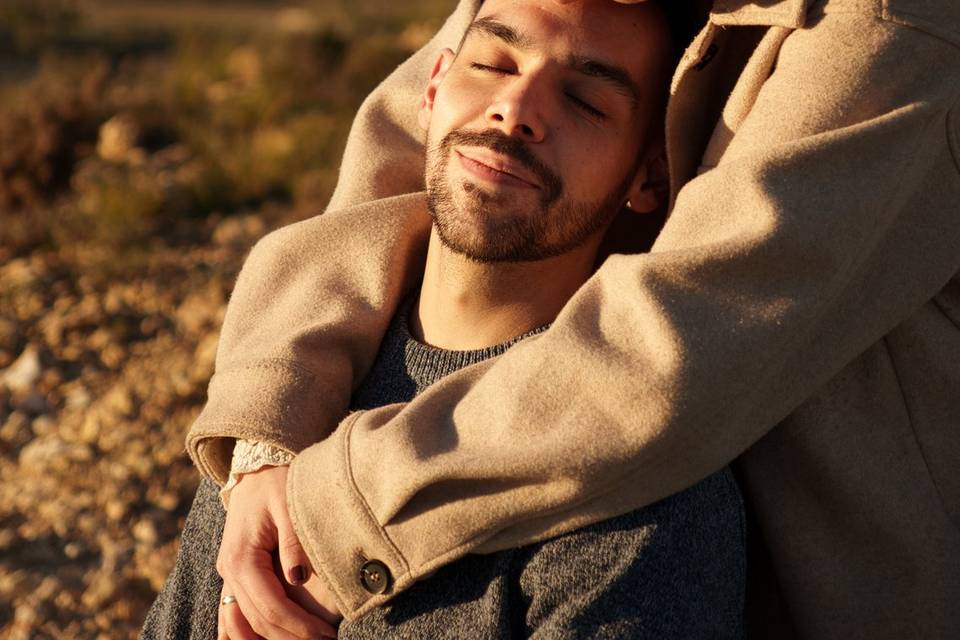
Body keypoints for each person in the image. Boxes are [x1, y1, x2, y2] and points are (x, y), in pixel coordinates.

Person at [186, 0, 960, 637]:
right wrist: (268, 441)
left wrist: (336, 510)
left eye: (586, 100)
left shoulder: (894, 27)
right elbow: (397, 163)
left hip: (830, 576)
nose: (517, 106)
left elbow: (669, 356)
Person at [141, 2, 748, 638]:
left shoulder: (646, 498)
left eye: (586, 101)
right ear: (431, 90)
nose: (515, 108)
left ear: (649, 174)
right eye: (491, 63)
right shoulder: (283, 416)